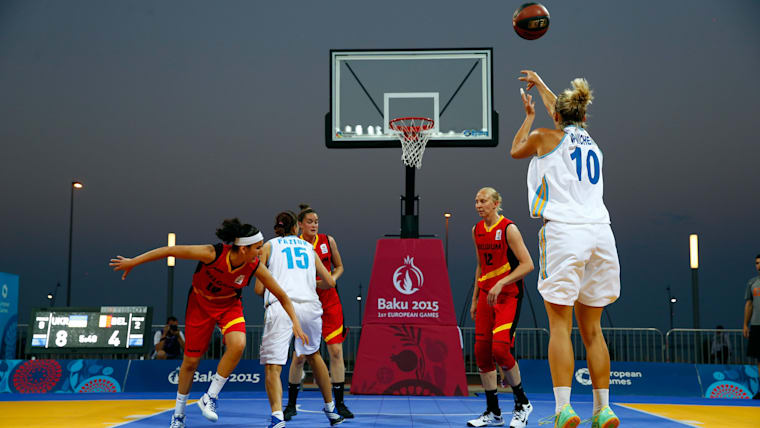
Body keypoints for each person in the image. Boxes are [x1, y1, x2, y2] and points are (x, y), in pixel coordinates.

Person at [110, 218, 307, 428]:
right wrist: (133, 262)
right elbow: (169, 251)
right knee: (190, 364)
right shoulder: (212, 254)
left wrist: (295, 323)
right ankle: (178, 415)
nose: (261, 252)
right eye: (258, 248)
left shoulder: (254, 266)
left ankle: (210, 397)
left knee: (238, 344)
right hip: (200, 305)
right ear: (243, 249)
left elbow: (282, 295)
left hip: (229, 306)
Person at [511, 70, 621, 428]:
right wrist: (543, 85)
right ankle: (603, 410)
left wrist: (528, 117)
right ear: (583, 117)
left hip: (565, 233)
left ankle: (563, 409)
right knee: (593, 329)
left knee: (560, 325)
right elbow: (562, 113)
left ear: (553, 116)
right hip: (601, 234)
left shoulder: (544, 135)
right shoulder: (591, 142)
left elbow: (515, 151)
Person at [255, 211, 344, 428]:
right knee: (314, 356)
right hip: (311, 307)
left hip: (282, 306)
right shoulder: (308, 248)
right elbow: (330, 282)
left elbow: (259, 288)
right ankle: (331, 409)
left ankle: (277, 417)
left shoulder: (269, 246)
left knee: (273, 367)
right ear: (296, 227)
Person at [467, 187, 535, 428]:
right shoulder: (476, 230)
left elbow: (528, 265)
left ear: (496, 203)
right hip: (486, 296)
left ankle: (522, 403)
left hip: (508, 296)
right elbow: (479, 267)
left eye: (483, 201)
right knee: (481, 353)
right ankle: (493, 412)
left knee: (500, 350)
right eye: (476, 201)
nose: (478, 205)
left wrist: (501, 282)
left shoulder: (509, 229)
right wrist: (475, 299)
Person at [283, 204, 353, 421]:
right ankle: (291, 404)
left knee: (336, 352)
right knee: (299, 357)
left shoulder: (327, 241)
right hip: (305, 303)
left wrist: (329, 281)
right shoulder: (294, 245)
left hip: (330, 303)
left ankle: (339, 403)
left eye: (316, 221)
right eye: (310, 222)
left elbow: (339, 267)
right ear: (300, 225)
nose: (314, 225)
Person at [744, 254, 760, 399]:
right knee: (759, 359)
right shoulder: (752, 283)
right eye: (757, 263)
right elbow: (749, 304)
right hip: (756, 324)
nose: (758, 265)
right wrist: (745, 324)